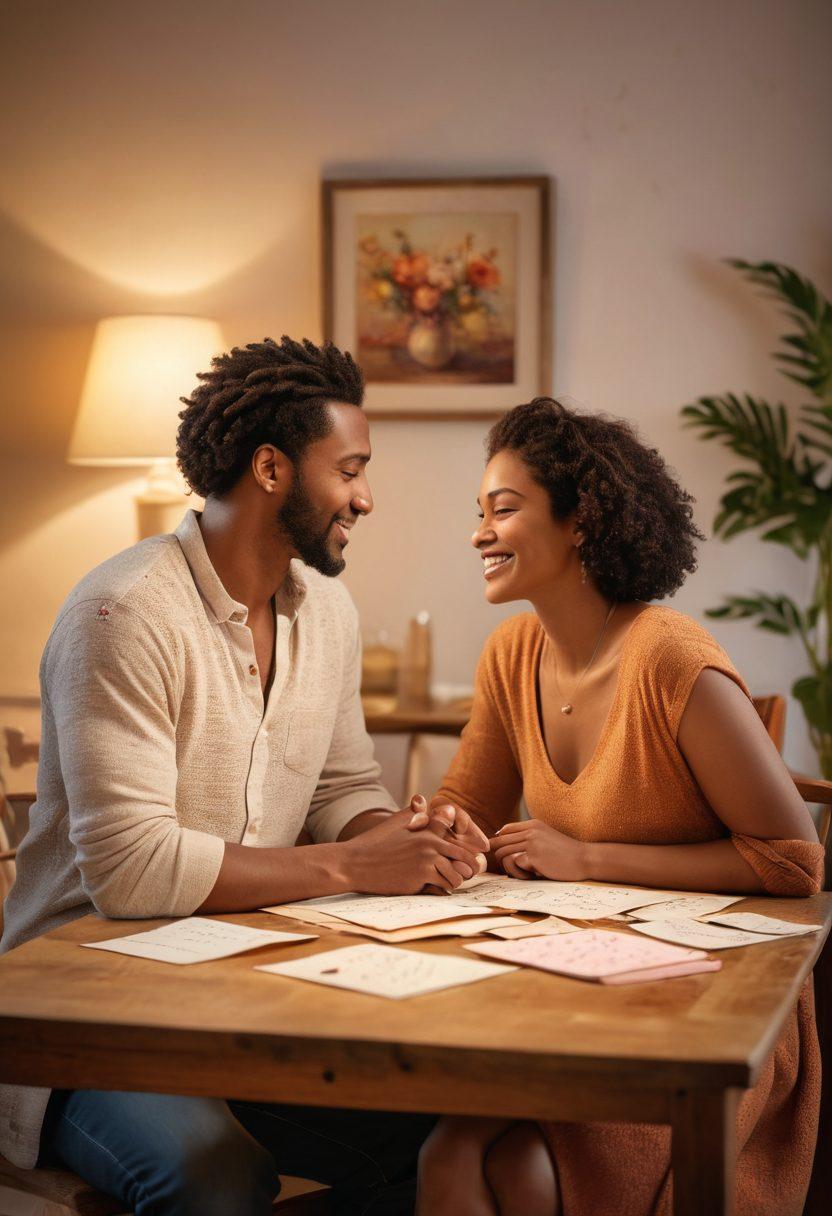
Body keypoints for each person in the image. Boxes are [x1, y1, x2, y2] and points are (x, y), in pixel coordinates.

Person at [0, 336, 487, 1216]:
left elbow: (341, 788)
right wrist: (349, 870)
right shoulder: (124, 613)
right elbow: (132, 868)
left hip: (242, 991)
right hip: (84, 1019)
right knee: (215, 1179)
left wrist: (408, 841)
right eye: (350, 470)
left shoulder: (326, 613)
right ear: (271, 468)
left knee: (460, 1137)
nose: (366, 498)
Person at [416, 397, 824, 1216]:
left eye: (504, 508)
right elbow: (471, 801)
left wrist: (586, 857)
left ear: (580, 521)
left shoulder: (669, 659)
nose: (479, 533)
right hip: (571, 992)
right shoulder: (511, 652)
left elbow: (794, 860)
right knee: (447, 1152)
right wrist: (442, 828)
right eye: (479, 511)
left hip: (704, 1016)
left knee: (520, 1172)